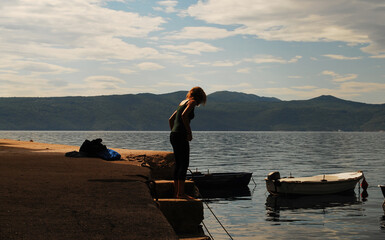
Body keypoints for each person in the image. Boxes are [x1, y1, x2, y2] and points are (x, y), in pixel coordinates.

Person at [169, 87, 207, 199]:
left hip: (174, 135)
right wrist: (189, 133)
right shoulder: (192, 102)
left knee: (178, 164)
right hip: (181, 135)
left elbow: (171, 119)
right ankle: (181, 194)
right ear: (200, 97)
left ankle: (177, 193)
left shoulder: (182, 102)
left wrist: (174, 131)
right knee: (184, 163)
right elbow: (184, 116)